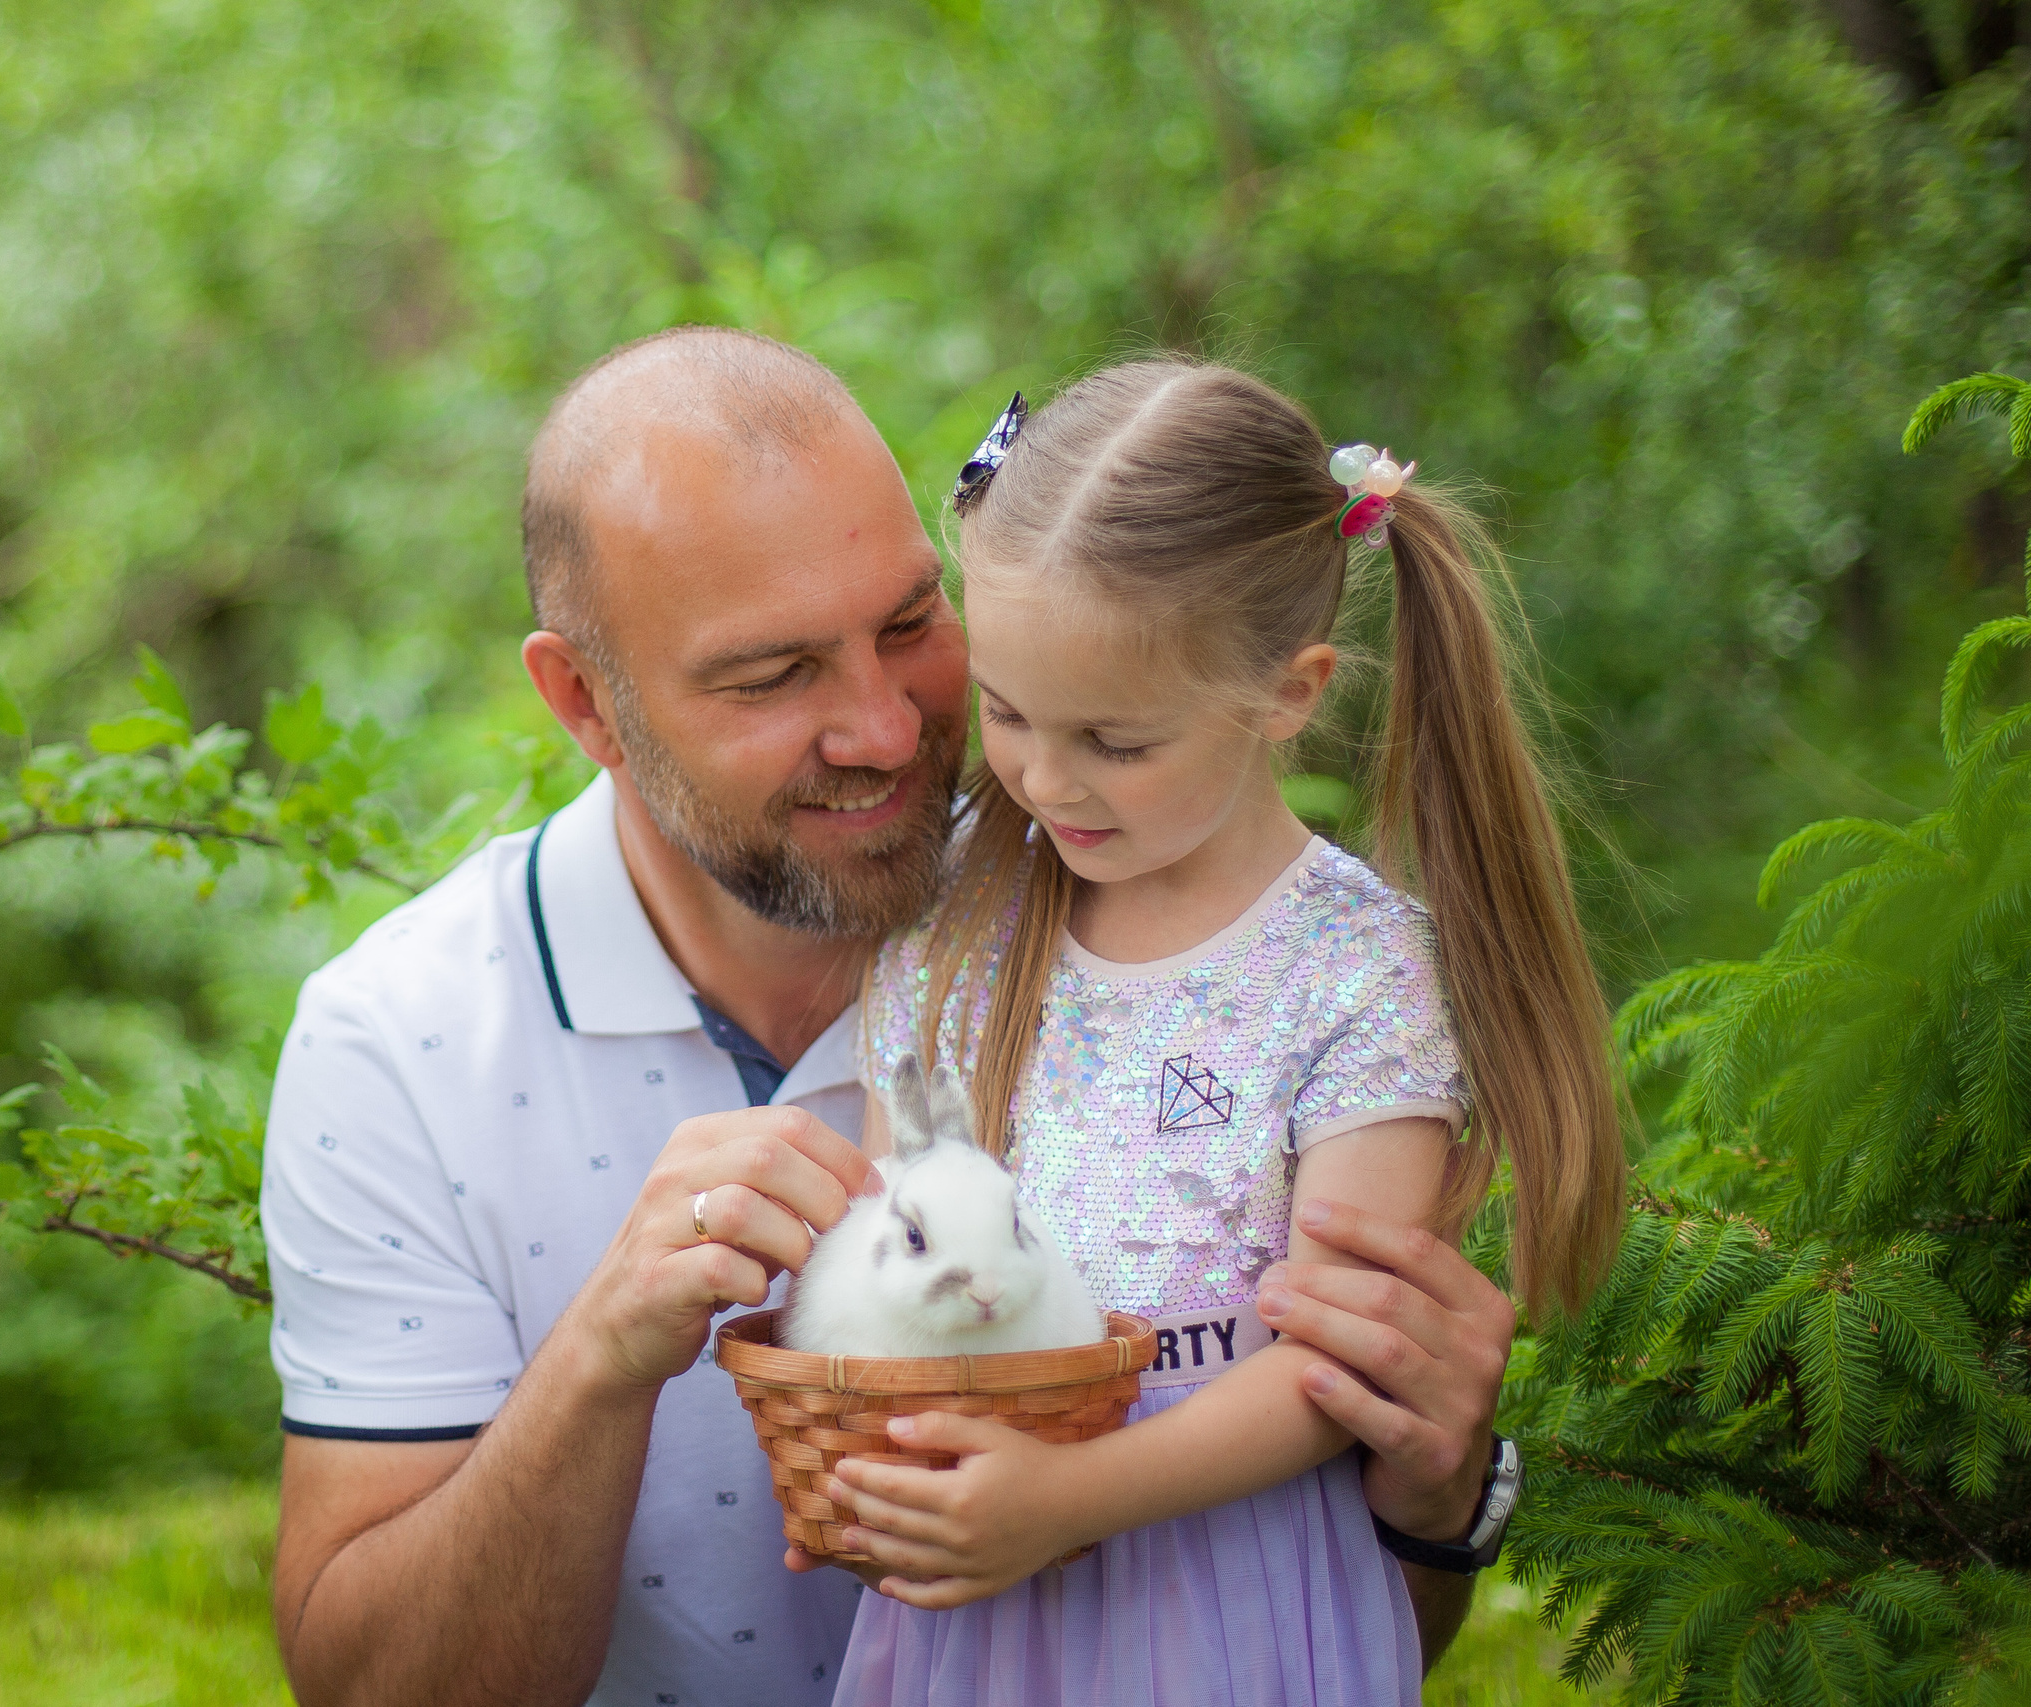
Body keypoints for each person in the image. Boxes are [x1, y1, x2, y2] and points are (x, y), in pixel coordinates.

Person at [261, 328, 1526, 1707]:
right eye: (770, 676)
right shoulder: (400, 1046)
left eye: (914, 627)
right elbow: (367, 1690)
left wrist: (1435, 1491)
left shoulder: (1127, 883)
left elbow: (1334, 1612)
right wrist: (599, 1361)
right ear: (588, 705)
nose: (884, 729)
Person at [820, 360, 1627, 1706]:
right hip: (982, 1612)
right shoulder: (952, 933)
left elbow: (1345, 1354)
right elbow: (896, 1254)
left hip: (1231, 1610)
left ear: (1289, 693)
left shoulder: (1351, 972)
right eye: (1009, 713)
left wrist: (1070, 1494)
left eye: (1115, 741)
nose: (1043, 777)